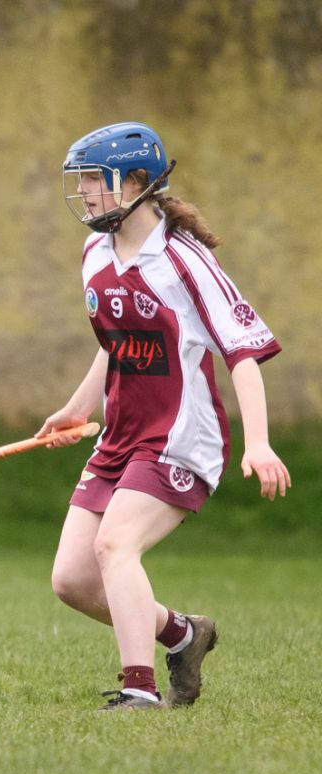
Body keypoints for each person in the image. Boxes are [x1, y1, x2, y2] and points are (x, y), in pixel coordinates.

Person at [40, 122, 290, 711]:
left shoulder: (184, 262)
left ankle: (140, 690)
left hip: (181, 437)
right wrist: (79, 406)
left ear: (136, 183)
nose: (87, 197)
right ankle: (183, 635)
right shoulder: (95, 251)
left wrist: (259, 443)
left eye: (96, 184)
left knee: (115, 546)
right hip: (123, 435)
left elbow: (243, 353)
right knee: (73, 581)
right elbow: (116, 340)